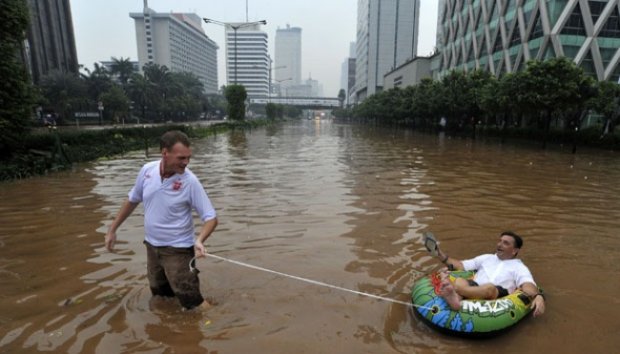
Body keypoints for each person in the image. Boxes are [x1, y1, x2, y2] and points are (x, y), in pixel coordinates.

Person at [105, 130, 218, 310]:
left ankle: (219, 325)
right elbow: (133, 199)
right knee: (161, 296)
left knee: (193, 303)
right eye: (181, 158)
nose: (186, 163)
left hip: (179, 251)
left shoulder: (190, 181)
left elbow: (211, 218)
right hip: (152, 247)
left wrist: (199, 240)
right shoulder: (147, 170)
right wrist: (112, 230)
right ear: (164, 153)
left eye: (188, 157)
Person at [434, 231, 545, 317]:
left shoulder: (519, 267)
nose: (500, 244)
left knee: (488, 288)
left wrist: (538, 295)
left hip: (497, 292)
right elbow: (461, 266)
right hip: (475, 285)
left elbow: (528, 285)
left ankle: (454, 291)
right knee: (460, 281)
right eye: (500, 241)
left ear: (514, 250)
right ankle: (455, 300)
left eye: (505, 243)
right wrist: (440, 254)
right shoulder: (486, 257)